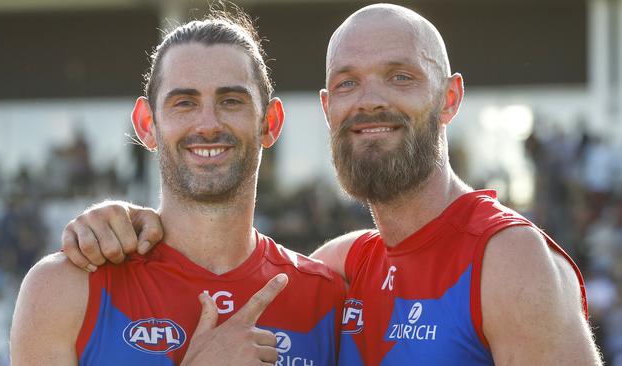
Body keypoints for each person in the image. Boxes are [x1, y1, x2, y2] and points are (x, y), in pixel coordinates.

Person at [60, 3, 602, 365]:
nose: (370, 100)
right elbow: (221, 255)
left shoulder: (508, 261)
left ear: (450, 98)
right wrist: (127, 220)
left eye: (401, 77)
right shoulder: (345, 268)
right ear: (327, 108)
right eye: (347, 83)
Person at [10, 8, 345, 366]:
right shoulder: (64, 288)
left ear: (270, 123)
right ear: (146, 125)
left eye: (231, 101)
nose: (208, 124)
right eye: (184, 103)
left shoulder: (326, 299)